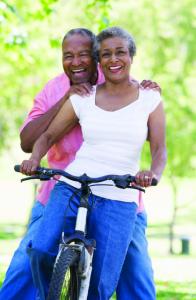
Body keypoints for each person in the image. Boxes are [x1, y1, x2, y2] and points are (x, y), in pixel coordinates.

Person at [0, 28, 161, 300]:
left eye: (84, 55)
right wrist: (67, 97)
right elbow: (30, 141)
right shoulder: (55, 90)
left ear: (95, 58)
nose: (76, 62)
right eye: (68, 56)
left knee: (136, 275)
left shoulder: (123, 84)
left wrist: (146, 90)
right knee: (25, 267)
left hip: (117, 193)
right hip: (59, 189)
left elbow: (153, 138)